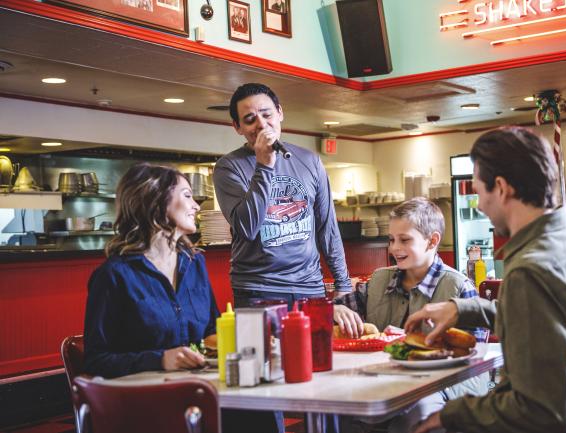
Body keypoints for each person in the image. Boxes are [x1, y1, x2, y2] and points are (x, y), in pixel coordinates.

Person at [406, 126, 566, 433]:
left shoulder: (529, 272)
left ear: (502, 188)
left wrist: (449, 415)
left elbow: (539, 413)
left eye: (479, 192)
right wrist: (462, 310)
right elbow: (550, 323)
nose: (479, 205)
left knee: (419, 418)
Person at [83, 163, 282, 433]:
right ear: (156, 201)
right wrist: (160, 358)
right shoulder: (113, 276)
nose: (197, 206)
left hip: (197, 393)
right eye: (187, 195)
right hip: (146, 406)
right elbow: (96, 360)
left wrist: (245, 342)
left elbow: (211, 330)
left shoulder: (194, 262)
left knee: (260, 412)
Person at [334, 197, 488, 433]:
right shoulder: (378, 281)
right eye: (391, 239)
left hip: (443, 388)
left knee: (413, 418)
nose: (394, 248)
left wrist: (412, 344)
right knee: (344, 414)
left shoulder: (458, 287)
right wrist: (334, 310)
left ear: (432, 241)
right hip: (386, 384)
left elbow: (474, 360)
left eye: (405, 240)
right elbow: (332, 317)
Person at [213, 83, 353, 310]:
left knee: (314, 347)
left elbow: (327, 227)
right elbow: (247, 227)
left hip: (310, 287)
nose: (261, 123)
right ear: (237, 127)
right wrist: (264, 165)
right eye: (250, 119)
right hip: (258, 288)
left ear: (280, 113)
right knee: (264, 348)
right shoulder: (228, 167)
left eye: (267, 114)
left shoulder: (309, 160)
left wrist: (343, 282)